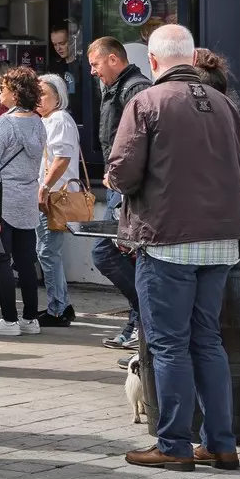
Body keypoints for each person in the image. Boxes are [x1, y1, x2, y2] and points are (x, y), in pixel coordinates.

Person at [107, 23, 240, 470]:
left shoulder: (147, 102)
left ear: (153, 61)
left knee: (169, 345)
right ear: (191, 57)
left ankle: (173, 446)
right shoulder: (226, 107)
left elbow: (123, 172)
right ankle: (221, 444)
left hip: (167, 238)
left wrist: (121, 181)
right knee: (208, 341)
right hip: (222, 240)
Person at [88, 35, 150, 348]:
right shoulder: (117, 88)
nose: (92, 71)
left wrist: (122, 176)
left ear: (114, 59)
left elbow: (140, 142)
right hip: (118, 185)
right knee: (123, 254)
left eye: (95, 64)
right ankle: (138, 324)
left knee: (105, 251)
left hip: (126, 188)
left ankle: (144, 316)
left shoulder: (135, 89)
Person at [0, 66, 47, 338]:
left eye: (4, 88)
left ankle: (9, 319)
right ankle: (30, 318)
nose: (0, 92)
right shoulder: (38, 122)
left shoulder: (4, 124)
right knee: (26, 261)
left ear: (15, 92)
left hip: (5, 197)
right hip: (28, 196)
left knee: (1, 260)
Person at [31, 72, 84, 328]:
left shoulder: (59, 119)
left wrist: (45, 186)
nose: (38, 99)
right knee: (47, 251)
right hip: (49, 192)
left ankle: (58, 308)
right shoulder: (48, 119)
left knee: (47, 251)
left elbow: (61, 158)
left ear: (58, 96)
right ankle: (61, 304)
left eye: (43, 94)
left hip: (54, 195)